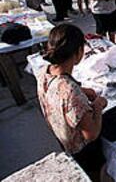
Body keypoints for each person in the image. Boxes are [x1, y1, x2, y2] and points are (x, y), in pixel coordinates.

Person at [37, 24, 107, 174]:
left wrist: (82, 91)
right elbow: (91, 134)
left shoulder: (44, 71)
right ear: (78, 52)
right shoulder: (70, 91)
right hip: (81, 150)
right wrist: (98, 106)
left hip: (62, 137)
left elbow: (56, 90)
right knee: (94, 172)